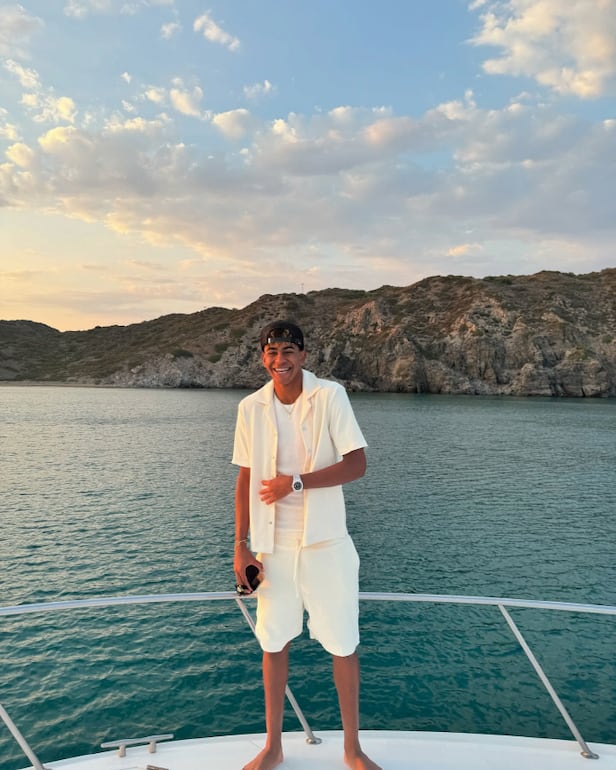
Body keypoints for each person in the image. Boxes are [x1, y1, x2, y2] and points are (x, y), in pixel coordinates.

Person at [232, 320, 382, 770]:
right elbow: (244, 478)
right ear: (263, 358)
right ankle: (273, 746)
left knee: (343, 645)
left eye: (288, 351)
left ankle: (352, 749)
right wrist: (241, 545)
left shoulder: (330, 396)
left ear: (303, 355)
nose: (280, 360)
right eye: (272, 352)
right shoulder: (250, 407)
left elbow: (357, 465)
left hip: (326, 544)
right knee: (273, 643)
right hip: (272, 547)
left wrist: (294, 483)